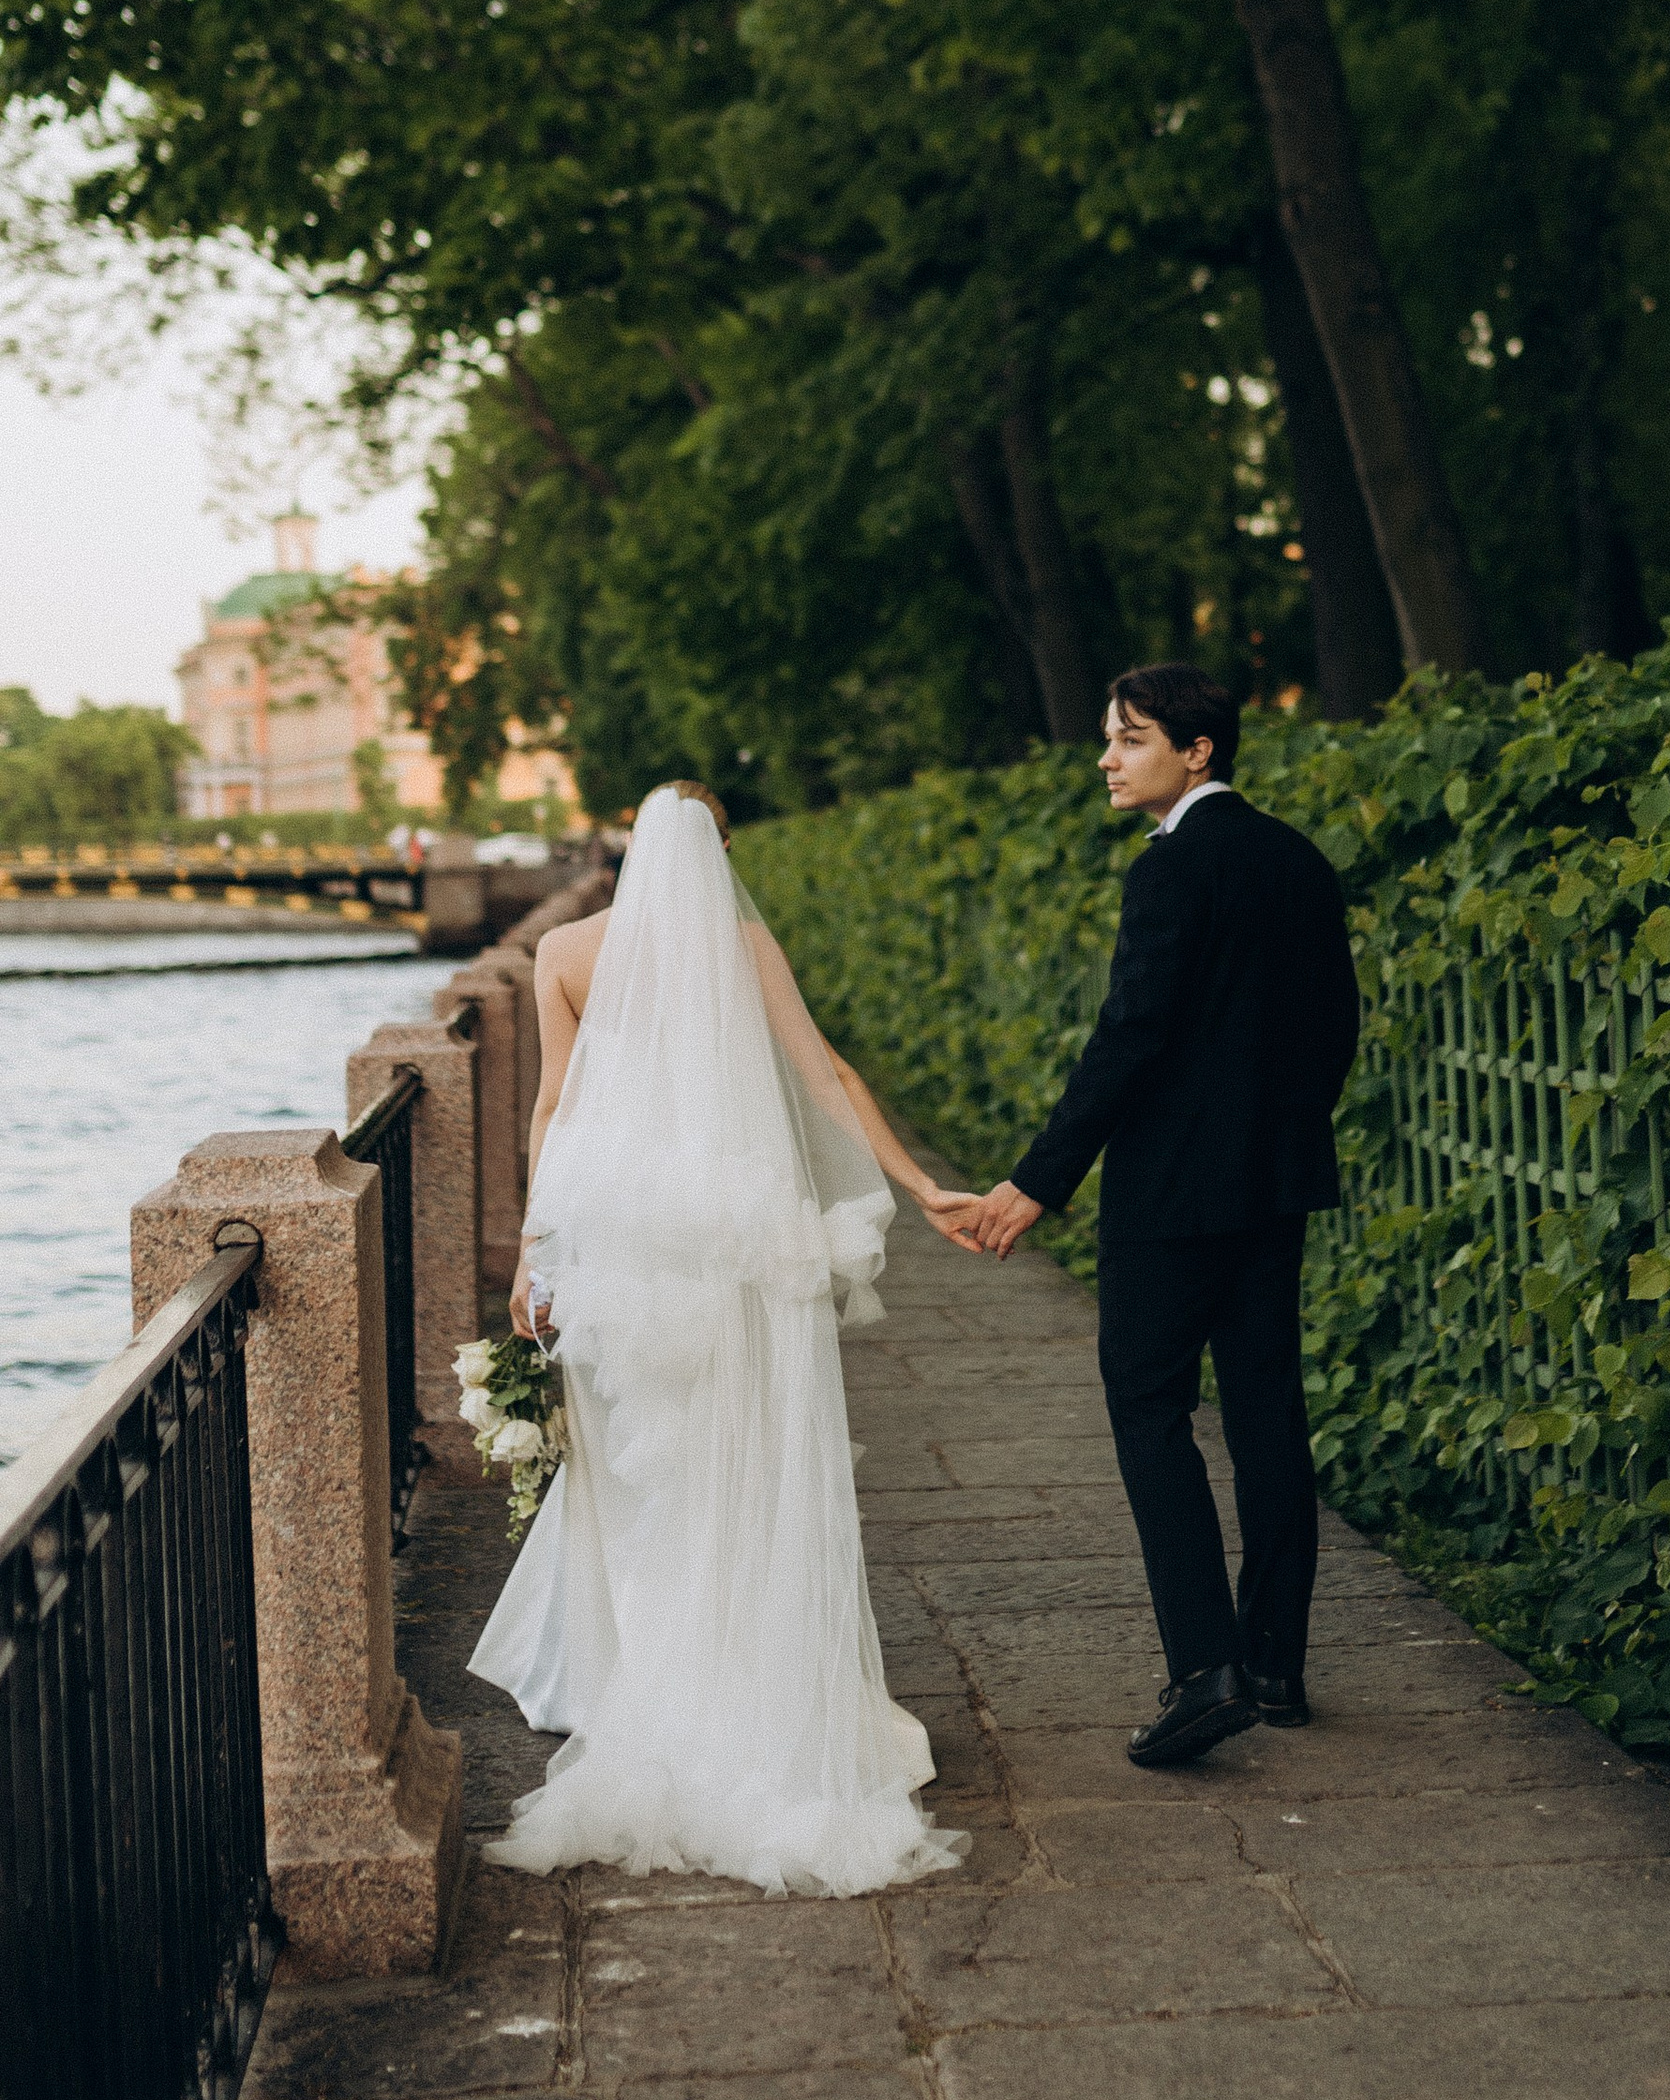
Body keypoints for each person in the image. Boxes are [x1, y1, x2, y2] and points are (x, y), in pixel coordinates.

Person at [468, 779, 975, 1894]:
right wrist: (922, 1185)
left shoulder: (565, 955)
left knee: (648, 1486)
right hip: (744, 1246)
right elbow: (826, 1074)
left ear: (627, 854)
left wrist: (531, 1251)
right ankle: (766, 1700)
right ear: (723, 854)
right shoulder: (743, 945)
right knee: (747, 1468)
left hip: (622, 1253)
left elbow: (555, 1107)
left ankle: (653, 1697)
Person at [947, 665, 1361, 1769]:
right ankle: (1273, 1663)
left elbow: (1129, 1039)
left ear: (1198, 753)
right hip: (1274, 1185)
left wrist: (1034, 1183)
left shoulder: (1174, 870)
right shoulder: (1299, 861)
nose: (1107, 759)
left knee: (1148, 1409)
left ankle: (1203, 1668)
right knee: (1269, 1408)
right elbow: (1335, 1031)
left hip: (1171, 1195)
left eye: (1129, 740)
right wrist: (1277, 1132)